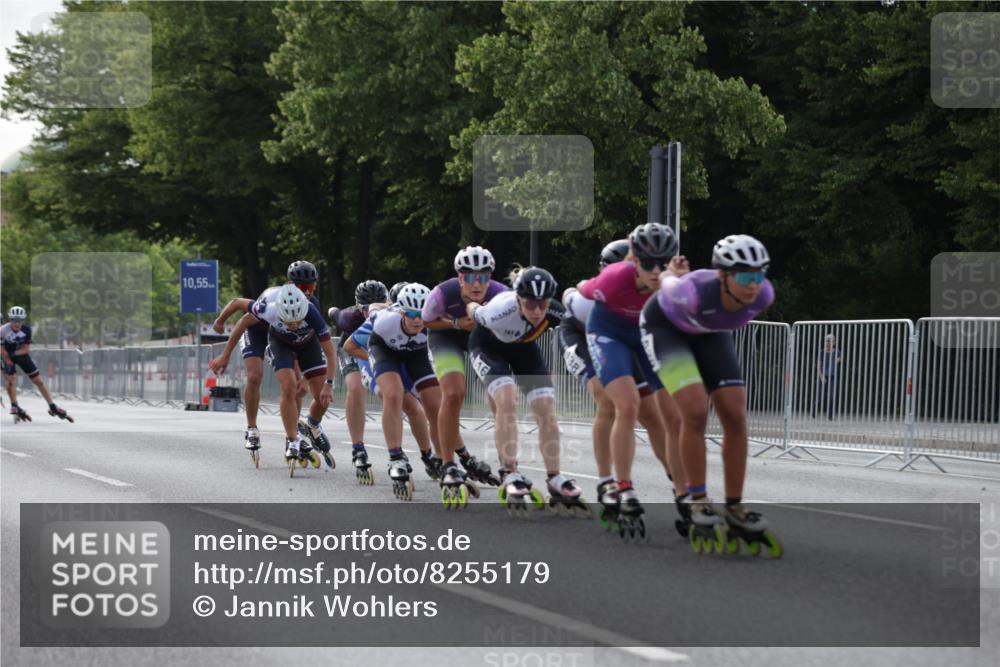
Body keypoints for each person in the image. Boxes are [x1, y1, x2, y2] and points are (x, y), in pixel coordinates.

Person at [640, 234, 780, 555]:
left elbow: (723, 321)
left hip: (709, 332)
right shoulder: (689, 292)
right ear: (723, 276)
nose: (753, 285)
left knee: (735, 413)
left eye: (759, 275)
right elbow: (666, 280)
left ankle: (734, 505)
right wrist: (673, 273)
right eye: (744, 277)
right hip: (665, 329)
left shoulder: (764, 295)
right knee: (694, 411)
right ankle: (697, 500)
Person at [577, 223, 685, 539]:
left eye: (663, 264)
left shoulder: (674, 284)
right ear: (634, 261)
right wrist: (574, 291)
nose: (656, 272)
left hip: (645, 336)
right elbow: (581, 290)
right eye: (649, 264)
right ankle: (620, 485)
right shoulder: (613, 278)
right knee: (625, 405)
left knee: (669, 416)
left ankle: (682, 488)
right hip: (608, 332)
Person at [559, 239, 672, 526]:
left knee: (651, 414)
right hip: (582, 335)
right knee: (608, 401)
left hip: (623, 338)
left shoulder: (648, 289)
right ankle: (606, 481)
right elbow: (570, 296)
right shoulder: (600, 292)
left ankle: (676, 479)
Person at [467, 267, 587, 513]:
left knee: (546, 409)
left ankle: (554, 477)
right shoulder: (499, 310)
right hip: (488, 348)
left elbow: (573, 330)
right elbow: (472, 309)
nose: (537, 311)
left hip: (525, 351)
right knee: (507, 399)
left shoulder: (554, 310)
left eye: (542, 304)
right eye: (530, 304)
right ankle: (509, 471)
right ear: (518, 299)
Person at [211, 285, 336, 472]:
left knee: (299, 387)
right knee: (256, 376)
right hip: (260, 333)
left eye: (297, 321)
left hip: (291, 340)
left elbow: (330, 353)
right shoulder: (266, 309)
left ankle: (296, 433)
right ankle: (253, 429)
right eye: (289, 321)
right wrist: (225, 351)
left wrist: (328, 383)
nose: (293, 325)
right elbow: (238, 307)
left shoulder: (311, 312)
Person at [343, 284, 447, 500]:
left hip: (403, 354)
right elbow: (349, 345)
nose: (416, 318)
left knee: (417, 406)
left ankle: (430, 456)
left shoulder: (420, 320)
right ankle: (366, 450)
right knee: (387, 394)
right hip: (369, 354)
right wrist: (373, 358)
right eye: (411, 313)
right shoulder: (357, 319)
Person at [421, 246, 504, 498]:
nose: (476, 284)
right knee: (454, 393)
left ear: (490, 278)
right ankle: (448, 464)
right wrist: (455, 323)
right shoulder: (442, 293)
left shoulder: (501, 294)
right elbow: (426, 321)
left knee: (500, 394)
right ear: (460, 277)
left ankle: (508, 466)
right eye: (470, 277)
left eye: (483, 277)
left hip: (481, 338)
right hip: (446, 336)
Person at [328, 279, 390, 457]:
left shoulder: (392, 313)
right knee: (356, 388)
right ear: (358, 307)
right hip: (351, 348)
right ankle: (358, 447)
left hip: (375, 348)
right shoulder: (348, 318)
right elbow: (332, 311)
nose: (370, 312)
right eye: (365, 309)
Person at [1, 306, 73, 423]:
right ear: (10, 320)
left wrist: (14, 354)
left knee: (38, 381)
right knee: (10, 379)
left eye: (20, 320)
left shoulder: (27, 330)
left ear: (23, 321)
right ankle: (14, 405)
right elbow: (2, 349)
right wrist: (8, 359)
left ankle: (52, 406)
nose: (17, 323)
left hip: (21, 355)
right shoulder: (3, 330)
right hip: (6, 355)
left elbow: (26, 349)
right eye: (14, 320)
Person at [812, 334, 841, 420]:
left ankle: (830, 416)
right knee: (820, 396)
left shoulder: (837, 352)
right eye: (827, 340)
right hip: (822, 376)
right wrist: (821, 377)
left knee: (831, 396)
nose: (828, 342)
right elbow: (818, 365)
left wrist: (836, 361)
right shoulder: (821, 352)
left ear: (834, 342)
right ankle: (813, 413)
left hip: (832, 377)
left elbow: (840, 358)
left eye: (830, 340)